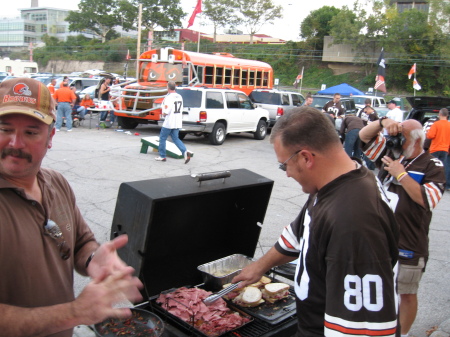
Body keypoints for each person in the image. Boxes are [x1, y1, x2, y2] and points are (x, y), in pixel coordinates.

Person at [233, 107, 399, 337]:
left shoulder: (353, 220)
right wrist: (259, 267)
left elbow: (364, 329)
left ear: (305, 157)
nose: (287, 174)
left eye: (284, 165)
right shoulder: (332, 183)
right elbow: (297, 236)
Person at [0, 78, 143, 336]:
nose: (15, 143)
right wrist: (74, 313)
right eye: (5, 129)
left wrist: (93, 259)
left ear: (50, 137)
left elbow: (81, 242)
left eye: (31, 132)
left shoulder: (56, 183)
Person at [359, 117, 446, 337]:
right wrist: (383, 122)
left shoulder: (432, 165)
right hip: (379, 239)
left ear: (415, 141)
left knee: (405, 293)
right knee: (376, 288)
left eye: (400, 138)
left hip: (409, 243)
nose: (394, 141)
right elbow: (364, 137)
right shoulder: (390, 156)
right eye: (394, 136)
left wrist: (401, 173)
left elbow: (427, 200)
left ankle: (402, 334)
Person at [155, 81, 193, 164]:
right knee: (175, 138)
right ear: (175, 87)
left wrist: (163, 114)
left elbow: (167, 110)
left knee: (162, 138)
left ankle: (162, 156)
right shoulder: (179, 96)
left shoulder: (169, 97)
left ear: (168, 88)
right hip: (177, 121)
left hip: (169, 121)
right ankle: (185, 152)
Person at [426, 108, 450, 191]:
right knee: (444, 167)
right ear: (447, 115)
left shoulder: (436, 124)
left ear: (440, 114)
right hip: (445, 149)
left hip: (435, 148)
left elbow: (430, 136)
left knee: (432, 166)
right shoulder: (449, 125)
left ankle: (431, 183)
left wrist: (427, 132)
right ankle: (445, 184)